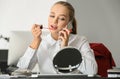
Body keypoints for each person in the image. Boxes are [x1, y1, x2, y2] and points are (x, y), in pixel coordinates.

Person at [17, 1, 97, 75]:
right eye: (52, 16)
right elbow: (21, 71)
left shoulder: (80, 40)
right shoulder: (42, 42)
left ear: (69, 23)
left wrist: (66, 49)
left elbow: (92, 71)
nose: (54, 21)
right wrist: (36, 41)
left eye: (61, 18)